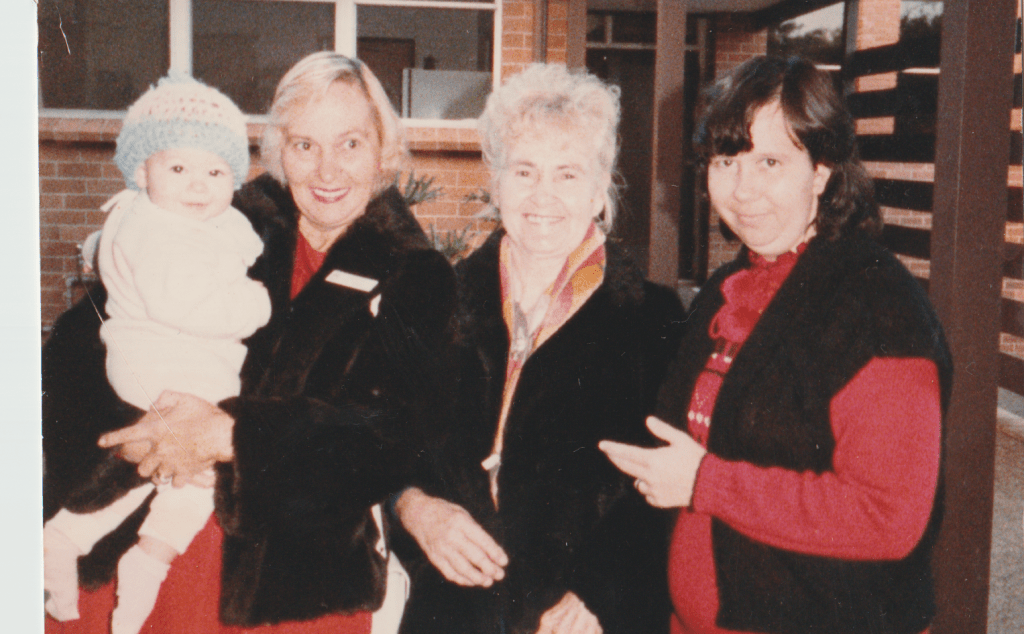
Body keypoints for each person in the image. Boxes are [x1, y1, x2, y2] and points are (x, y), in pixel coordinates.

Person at [42, 51, 456, 634]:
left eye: (350, 143)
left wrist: (230, 435)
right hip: (153, 540)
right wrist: (139, 430)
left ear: (382, 149)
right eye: (304, 144)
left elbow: (393, 436)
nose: (327, 170)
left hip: (292, 578)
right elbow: (77, 347)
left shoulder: (415, 273)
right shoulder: (220, 216)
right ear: (279, 148)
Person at [599, 56, 951, 634]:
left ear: (822, 171)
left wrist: (706, 483)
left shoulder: (876, 304)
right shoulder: (727, 286)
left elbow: (888, 517)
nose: (743, 190)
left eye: (770, 162)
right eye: (726, 161)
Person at [391, 63, 685, 634]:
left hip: (579, 620)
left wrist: (598, 594)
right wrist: (414, 509)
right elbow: (384, 444)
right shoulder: (434, 303)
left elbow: (665, 490)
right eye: (524, 171)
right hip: (450, 611)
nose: (542, 195)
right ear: (496, 183)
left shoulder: (654, 318)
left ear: (599, 192)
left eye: (567, 174)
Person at [43, 74, 272, 634]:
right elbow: (189, 304)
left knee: (172, 470)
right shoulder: (154, 230)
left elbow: (234, 244)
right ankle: (143, 560)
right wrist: (256, 302)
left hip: (168, 362)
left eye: (216, 173)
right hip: (162, 363)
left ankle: (76, 539)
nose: (199, 186)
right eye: (179, 168)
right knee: (198, 468)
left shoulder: (184, 217)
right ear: (143, 171)